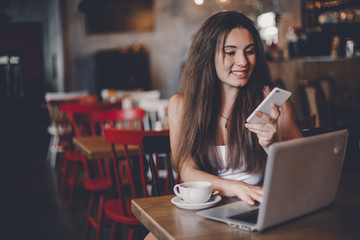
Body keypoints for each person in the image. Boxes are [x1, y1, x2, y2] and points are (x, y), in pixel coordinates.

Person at [168, 11, 302, 206]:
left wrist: (270, 145)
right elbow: (187, 171)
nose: (243, 61)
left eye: (249, 51)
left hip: (253, 209)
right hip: (201, 209)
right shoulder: (181, 105)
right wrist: (237, 187)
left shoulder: (271, 102)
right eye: (230, 52)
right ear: (207, 55)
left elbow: (300, 169)